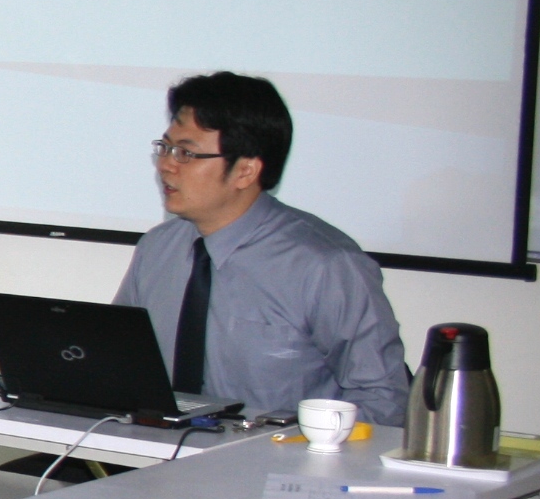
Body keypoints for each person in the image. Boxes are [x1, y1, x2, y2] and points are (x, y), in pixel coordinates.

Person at [115, 72, 410, 426]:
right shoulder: (157, 249)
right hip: (157, 462)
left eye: (186, 153)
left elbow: (383, 399)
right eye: (165, 148)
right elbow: (117, 363)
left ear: (246, 171)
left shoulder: (325, 265)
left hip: (277, 467)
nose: (166, 164)